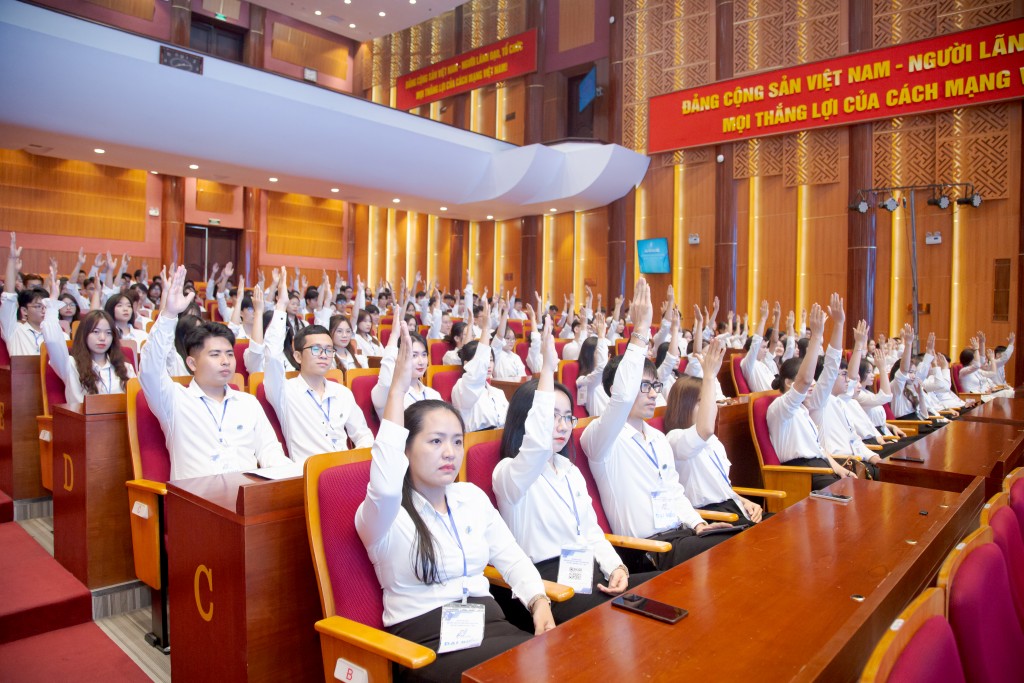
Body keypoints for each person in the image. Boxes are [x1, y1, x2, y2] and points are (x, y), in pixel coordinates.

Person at [355, 321, 554, 683]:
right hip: (426, 641)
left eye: (457, 442)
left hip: (490, 623)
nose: (450, 453)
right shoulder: (383, 512)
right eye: (435, 442)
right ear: (405, 448)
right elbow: (384, 485)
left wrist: (539, 600)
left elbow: (512, 557)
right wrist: (397, 393)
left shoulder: (471, 497)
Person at [493, 318, 656, 623]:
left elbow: (591, 532)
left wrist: (616, 567)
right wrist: (547, 371)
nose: (562, 426)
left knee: (653, 596)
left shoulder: (569, 469)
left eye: (568, 417)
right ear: (528, 419)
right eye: (551, 416)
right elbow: (537, 443)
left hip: (587, 569)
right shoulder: (508, 474)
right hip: (548, 584)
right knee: (622, 621)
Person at [581, 278, 734, 571]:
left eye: (655, 386)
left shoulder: (658, 438)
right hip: (647, 550)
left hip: (681, 536)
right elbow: (624, 397)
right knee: (729, 551)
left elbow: (674, 493)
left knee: (739, 538)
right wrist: (640, 332)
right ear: (616, 390)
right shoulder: (601, 438)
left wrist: (698, 523)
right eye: (645, 386)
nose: (654, 393)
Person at [139, 266, 292, 480]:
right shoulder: (173, 399)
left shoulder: (247, 402)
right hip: (196, 502)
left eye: (229, 354)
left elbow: (269, 450)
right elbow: (150, 369)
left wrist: (292, 476)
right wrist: (169, 314)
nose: (225, 361)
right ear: (192, 363)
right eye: (215, 354)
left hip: (246, 498)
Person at [263, 267, 373, 463]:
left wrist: (357, 461)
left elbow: (363, 435)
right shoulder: (284, 391)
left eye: (328, 350)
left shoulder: (342, 393)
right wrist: (281, 306)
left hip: (346, 470)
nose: (324, 355)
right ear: (297, 356)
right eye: (316, 350)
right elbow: (272, 356)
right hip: (310, 478)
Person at [664, 339, 763, 524]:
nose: (712, 407)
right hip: (712, 517)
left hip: (733, 507)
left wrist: (745, 501)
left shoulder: (713, 441)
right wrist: (709, 376)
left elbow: (722, 488)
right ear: (685, 407)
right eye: (703, 402)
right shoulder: (674, 439)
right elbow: (705, 428)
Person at [766, 296, 853, 491]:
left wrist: (839, 324)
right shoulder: (780, 408)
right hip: (799, 474)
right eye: (808, 381)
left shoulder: (807, 407)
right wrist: (816, 336)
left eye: (815, 379)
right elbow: (804, 380)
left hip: (821, 466)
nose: (812, 383)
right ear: (789, 383)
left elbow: (831, 367)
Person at [41, 265, 135, 404]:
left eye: (108, 333)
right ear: (84, 334)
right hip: (83, 423)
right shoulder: (70, 365)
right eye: (96, 332)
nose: (102, 338)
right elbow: (53, 340)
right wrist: (52, 302)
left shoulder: (126, 368)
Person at [370, 306, 442, 420]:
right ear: (399, 358)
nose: (421, 361)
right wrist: (394, 335)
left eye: (424, 355)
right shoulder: (389, 394)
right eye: (414, 355)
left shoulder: (433, 394)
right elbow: (386, 381)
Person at [451, 300, 509, 432]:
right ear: (466, 365)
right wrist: (485, 329)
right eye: (484, 360)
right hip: (475, 443)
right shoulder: (462, 387)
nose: (488, 365)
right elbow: (477, 371)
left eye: (491, 360)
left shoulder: (498, 392)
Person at [1, 233, 61, 355]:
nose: (44, 311)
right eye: (38, 306)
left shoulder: (59, 334)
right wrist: (12, 260)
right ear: (24, 310)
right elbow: (8, 297)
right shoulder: (14, 330)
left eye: (46, 307)